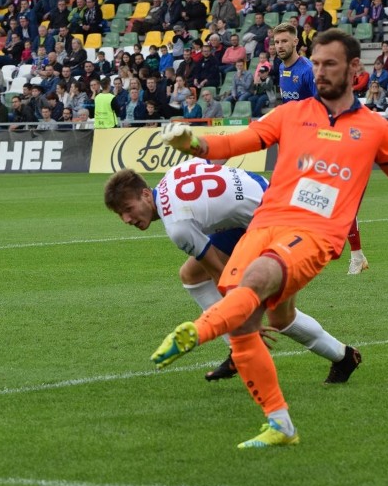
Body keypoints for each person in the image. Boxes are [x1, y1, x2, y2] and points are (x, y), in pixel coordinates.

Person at [154, 29, 388, 448]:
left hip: (318, 232)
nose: (320, 72)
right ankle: (280, 424)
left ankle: (197, 332)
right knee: (250, 322)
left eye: (330, 64)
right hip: (266, 220)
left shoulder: (374, 128)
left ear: (354, 68)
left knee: (257, 280)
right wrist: (192, 142)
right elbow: (235, 142)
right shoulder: (292, 113)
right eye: (317, 63)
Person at [105, 160, 362, 383]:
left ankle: (343, 357)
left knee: (279, 316)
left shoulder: (178, 228)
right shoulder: (174, 173)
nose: (127, 219)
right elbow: (215, 161)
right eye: (120, 214)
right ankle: (240, 352)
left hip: (275, 218)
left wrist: (243, 316)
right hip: (259, 203)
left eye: (128, 209)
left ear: (146, 195)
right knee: (192, 275)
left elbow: (221, 274)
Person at [275, 22, 369, 274]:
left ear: (296, 42)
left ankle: (352, 255)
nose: (279, 46)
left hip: (321, 140)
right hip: (301, 141)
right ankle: (343, 254)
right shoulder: (281, 69)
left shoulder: (307, 70)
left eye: (284, 41)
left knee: (331, 200)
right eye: (276, 42)